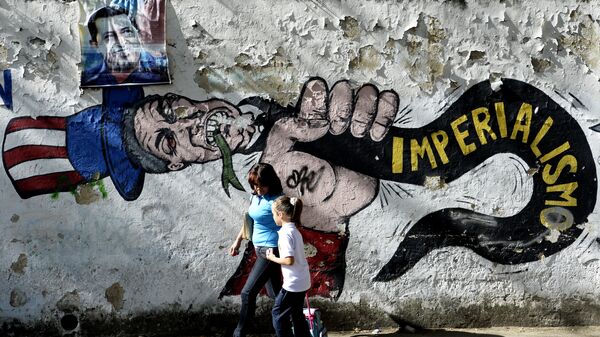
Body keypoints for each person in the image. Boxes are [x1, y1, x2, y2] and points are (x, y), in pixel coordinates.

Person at [228, 163, 284, 337]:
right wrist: (237, 241)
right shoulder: (256, 196)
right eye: (254, 186)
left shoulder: (278, 201)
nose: (258, 189)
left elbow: (288, 225)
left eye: (261, 185)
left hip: (271, 250)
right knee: (276, 295)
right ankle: (288, 329)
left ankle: (240, 333)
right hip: (258, 248)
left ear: (271, 182)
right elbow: (249, 220)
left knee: (247, 292)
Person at [82, 5, 169, 86]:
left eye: (126, 32)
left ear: (138, 34)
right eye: (108, 36)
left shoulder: (162, 70)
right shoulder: (89, 79)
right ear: (95, 45)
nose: (121, 42)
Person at [266, 196, 311, 337]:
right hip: (302, 281)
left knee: (278, 314)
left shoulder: (285, 233)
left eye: (274, 214)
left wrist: (272, 258)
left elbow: (288, 260)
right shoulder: (294, 230)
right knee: (296, 314)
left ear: (280, 214)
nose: (273, 217)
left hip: (293, 284)